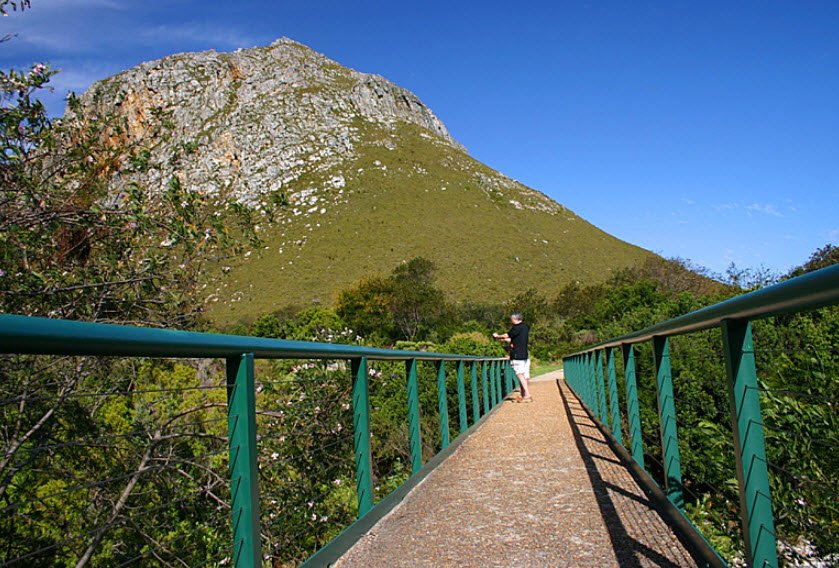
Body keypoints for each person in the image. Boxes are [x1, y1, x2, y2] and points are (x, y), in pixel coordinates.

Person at [492, 312, 532, 402]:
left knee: (519, 375)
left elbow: (508, 335)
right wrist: (504, 340)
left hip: (517, 355)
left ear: (514, 319)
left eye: (511, 319)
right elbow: (515, 338)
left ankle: (527, 395)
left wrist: (497, 336)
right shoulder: (525, 327)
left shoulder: (516, 328)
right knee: (524, 376)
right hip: (524, 355)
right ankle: (523, 395)